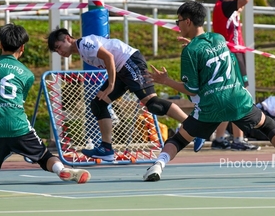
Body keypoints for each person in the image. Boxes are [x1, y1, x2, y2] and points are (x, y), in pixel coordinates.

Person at [143, 1, 275, 182]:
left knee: (179, 139)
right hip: (236, 99)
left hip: (210, 106)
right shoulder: (219, 38)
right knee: (268, 125)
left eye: (179, 21)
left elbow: (191, 89)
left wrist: (166, 81)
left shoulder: (190, 51)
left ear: (188, 21)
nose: (178, 25)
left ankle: (157, 166)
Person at [0, 23, 91, 187]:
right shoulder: (27, 74)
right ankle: (60, 169)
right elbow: (14, 106)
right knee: (44, 156)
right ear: (22, 48)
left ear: (0, 45)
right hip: (18, 127)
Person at [47, 28, 199, 161]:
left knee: (153, 104)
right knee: (98, 104)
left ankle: (195, 127)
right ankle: (106, 148)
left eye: (59, 47)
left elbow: (109, 57)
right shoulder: (82, 51)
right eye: (56, 51)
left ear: (68, 38)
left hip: (129, 62)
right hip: (121, 70)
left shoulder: (84, 44)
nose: (60, 52)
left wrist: (111, 84)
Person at [211, 0, 260, 151]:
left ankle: (219, 138)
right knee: (239, 95)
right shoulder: (223, 6)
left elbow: (242, 1)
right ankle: (238, 138)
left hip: (234, 53)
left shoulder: (227, 8)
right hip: (231, 54)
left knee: (231, 97)